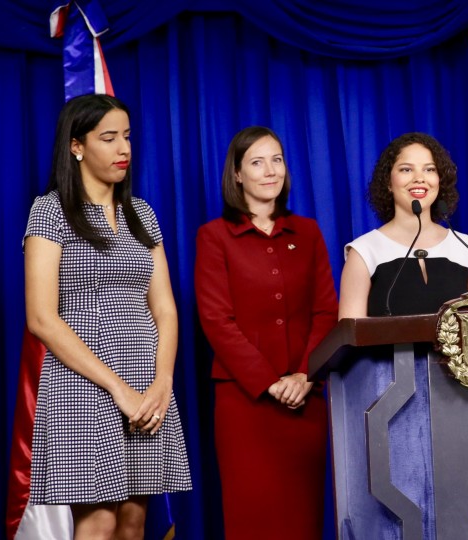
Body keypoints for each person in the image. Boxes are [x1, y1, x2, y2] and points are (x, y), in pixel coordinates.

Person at [23, 94, 192, 539]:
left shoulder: (142, 214)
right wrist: (119, 390)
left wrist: (161, 383)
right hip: (83, 383)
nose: (124, 149)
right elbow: (41, 318)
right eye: (109, 138)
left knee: (134, 521)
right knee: (97, 522)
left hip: (147, 380)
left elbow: (165, 308)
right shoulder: (51, 210)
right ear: (77, 146)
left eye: (128, 137)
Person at [194, 126, 338, 539]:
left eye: (277, 159)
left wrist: (304, 375)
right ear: (237, 174)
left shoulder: (307, 232)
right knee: (252, 518)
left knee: (303, 521)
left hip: (305, 401)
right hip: (245, 405)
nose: (270, 170)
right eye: (257, 162)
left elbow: (327, 310)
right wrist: (270, 383)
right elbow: (217, 321)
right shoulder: (214, 236)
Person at [339, 132, 468, 317]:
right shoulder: (364, 252)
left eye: (430, 169)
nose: (420, 178)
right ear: (388, 182)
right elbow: (351, 336)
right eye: (406, 169)